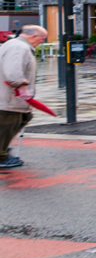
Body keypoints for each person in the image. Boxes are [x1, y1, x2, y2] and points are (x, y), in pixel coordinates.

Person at [0, 25, 47, 170]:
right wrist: (20, 85)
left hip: (12, 98)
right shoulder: (19, 47)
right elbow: (13, 69)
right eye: (42, 38)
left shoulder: (16, 45)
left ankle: (3, 148)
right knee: (8, 123)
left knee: (23, 118)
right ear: (33, 36)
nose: (43, 42)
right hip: (9, 97)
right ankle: (1, 156)